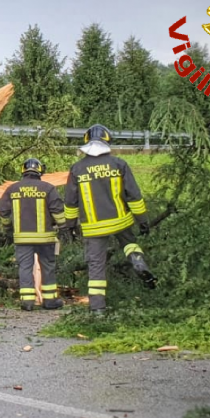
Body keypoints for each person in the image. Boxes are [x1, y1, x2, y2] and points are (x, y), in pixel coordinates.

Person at [61, 124, 157, 314]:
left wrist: (70, 226)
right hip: (121, 220)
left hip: (93, 227)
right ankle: (137, 260)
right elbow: (134, 195)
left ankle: (98, 309)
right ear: (107, 140)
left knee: (96, 265)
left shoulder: (77, 169)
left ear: (87, 142)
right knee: (130, 243)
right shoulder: (119, 164)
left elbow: (70, 202)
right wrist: (142, 221)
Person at [0, 158, 66, 311]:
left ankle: (27, 302)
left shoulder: (13, 189)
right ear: (40, 170)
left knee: (25, 267)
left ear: (23, 171)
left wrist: (8, 228)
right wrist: (64, 228)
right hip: (45, 238)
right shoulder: (48, 188)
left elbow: (3, 211)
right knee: (48, 267)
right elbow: (58, 212)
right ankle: (49, 301)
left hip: (22, 238)